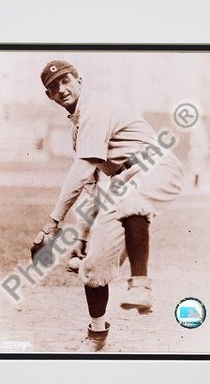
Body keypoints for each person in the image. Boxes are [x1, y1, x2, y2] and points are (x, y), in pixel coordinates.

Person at [33, 60, 184, 352]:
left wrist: (52, 223)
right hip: (123, 182)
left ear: (79, 80)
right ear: (49, 96)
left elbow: (80, 171)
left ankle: (140, 285)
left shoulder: (95, 108)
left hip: (157, 166)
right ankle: (96, 334)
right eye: (54, 87)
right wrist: (81, 235)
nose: (61, 89)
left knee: (132, 200)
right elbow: (92, 183)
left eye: (66, 81)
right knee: (93, 267)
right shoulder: (77, 130)